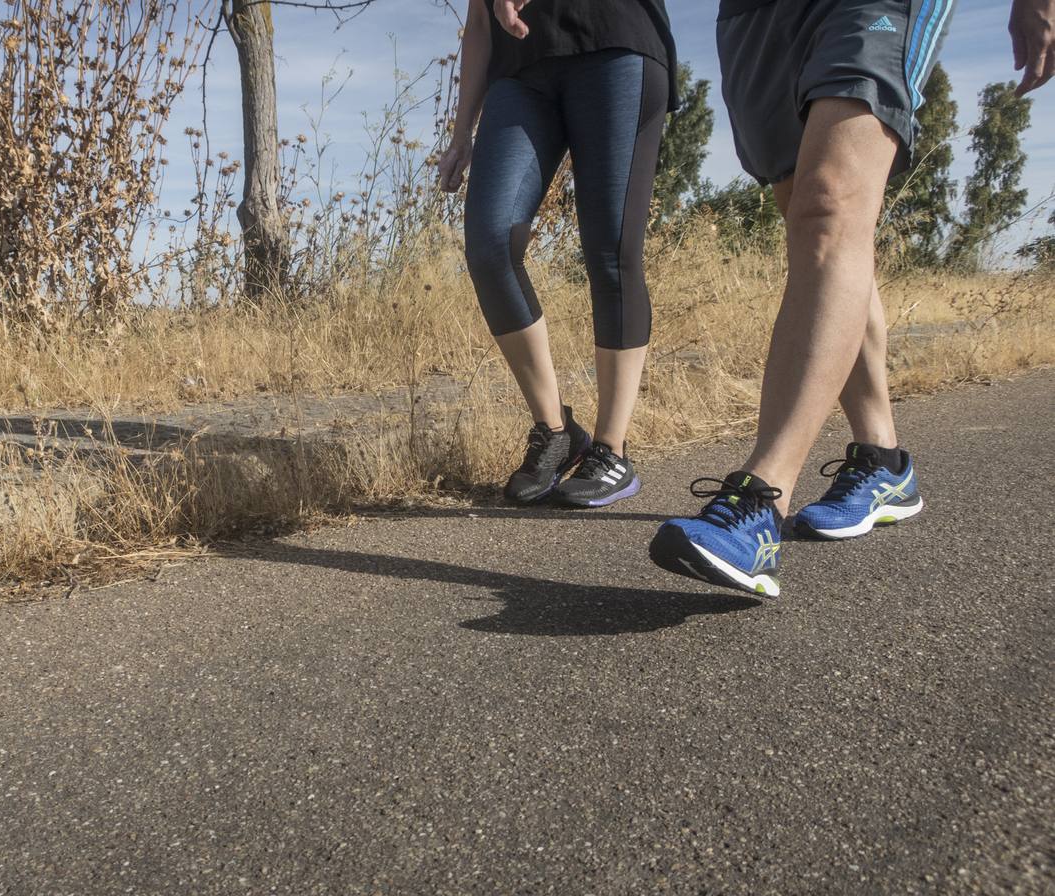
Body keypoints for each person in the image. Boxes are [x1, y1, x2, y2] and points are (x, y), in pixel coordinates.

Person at [649, 0, 1055, 596]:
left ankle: (763, 499)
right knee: (813, 231)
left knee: (829, 206)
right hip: (754, 16)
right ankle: (882, 460)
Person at [436, 0, 679, 508]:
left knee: (610, 251)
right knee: (490, 245)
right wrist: (462, 131)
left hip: (616, 43)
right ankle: (555, 429)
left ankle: (612, 449)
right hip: (519, 73)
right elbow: (481, 21)